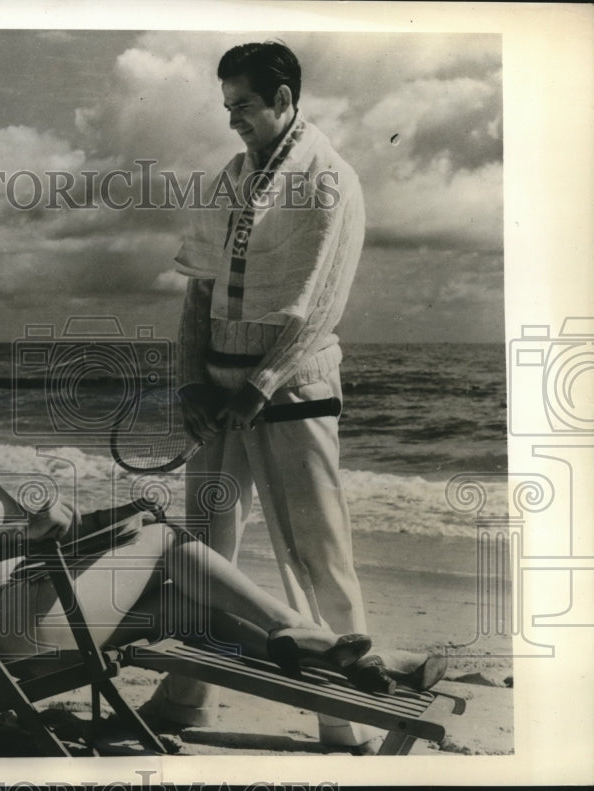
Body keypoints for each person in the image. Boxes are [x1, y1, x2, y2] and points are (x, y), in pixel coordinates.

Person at [0, 353, 444, 746]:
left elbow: (59, 529)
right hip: (12, 623)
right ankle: (296, 627)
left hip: (42, 596)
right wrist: (28, 533)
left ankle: (363, 664)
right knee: (167, 542)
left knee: (196, 611)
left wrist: (116, 515)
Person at [155, 40, 379, 750]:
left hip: (293, 386)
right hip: (220, 390)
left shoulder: (331, 179)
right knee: (205, 549)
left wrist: (260, 384)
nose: (234, 121)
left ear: (284, 100)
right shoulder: (229, 176)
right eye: (227, 107)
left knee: (316, 552)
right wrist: (192, 378)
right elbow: (198, 291)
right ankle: (192, 692)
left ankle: (346, 718)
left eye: (244, 105)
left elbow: (319, 306)